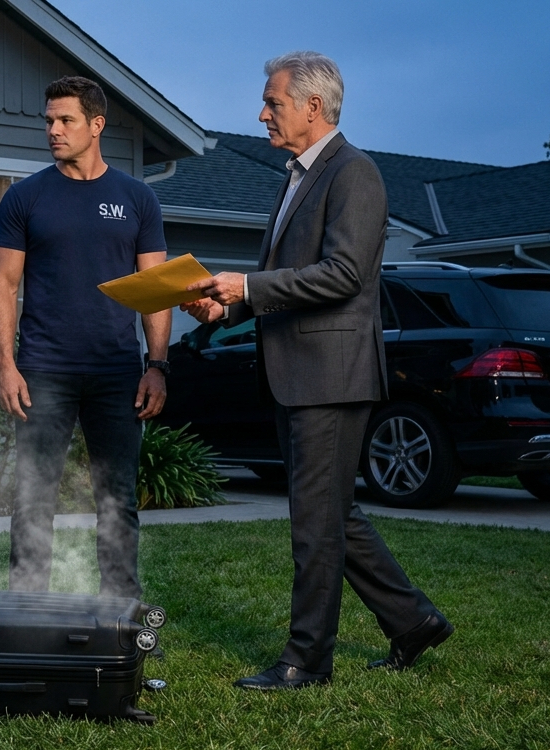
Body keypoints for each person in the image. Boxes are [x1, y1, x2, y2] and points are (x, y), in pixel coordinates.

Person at [183, 52, 453, 691]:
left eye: (272, 101)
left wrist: (245, 285)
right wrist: (223, 305)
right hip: (297, 373)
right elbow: (285, 282)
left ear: (313, 106)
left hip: (330, 377)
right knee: (331, 514)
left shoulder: (354, 173)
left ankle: (306, 660)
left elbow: (344, 275)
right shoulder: (298, 176)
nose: (262, 112)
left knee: (314, 522)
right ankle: (412, 620)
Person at [0, 76, 170, 598]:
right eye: (48, 120)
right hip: (43, 370)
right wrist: (6, 365)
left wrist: (157, 365)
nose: (53, 130)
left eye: (65, 120)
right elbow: (3, 285)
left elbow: (155, 290)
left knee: (117, 499)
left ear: (97, 125)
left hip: (117, 372)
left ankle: (122, 617)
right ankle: (27, 613)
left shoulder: (136, 198)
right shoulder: (25, 196)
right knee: (33, 498)